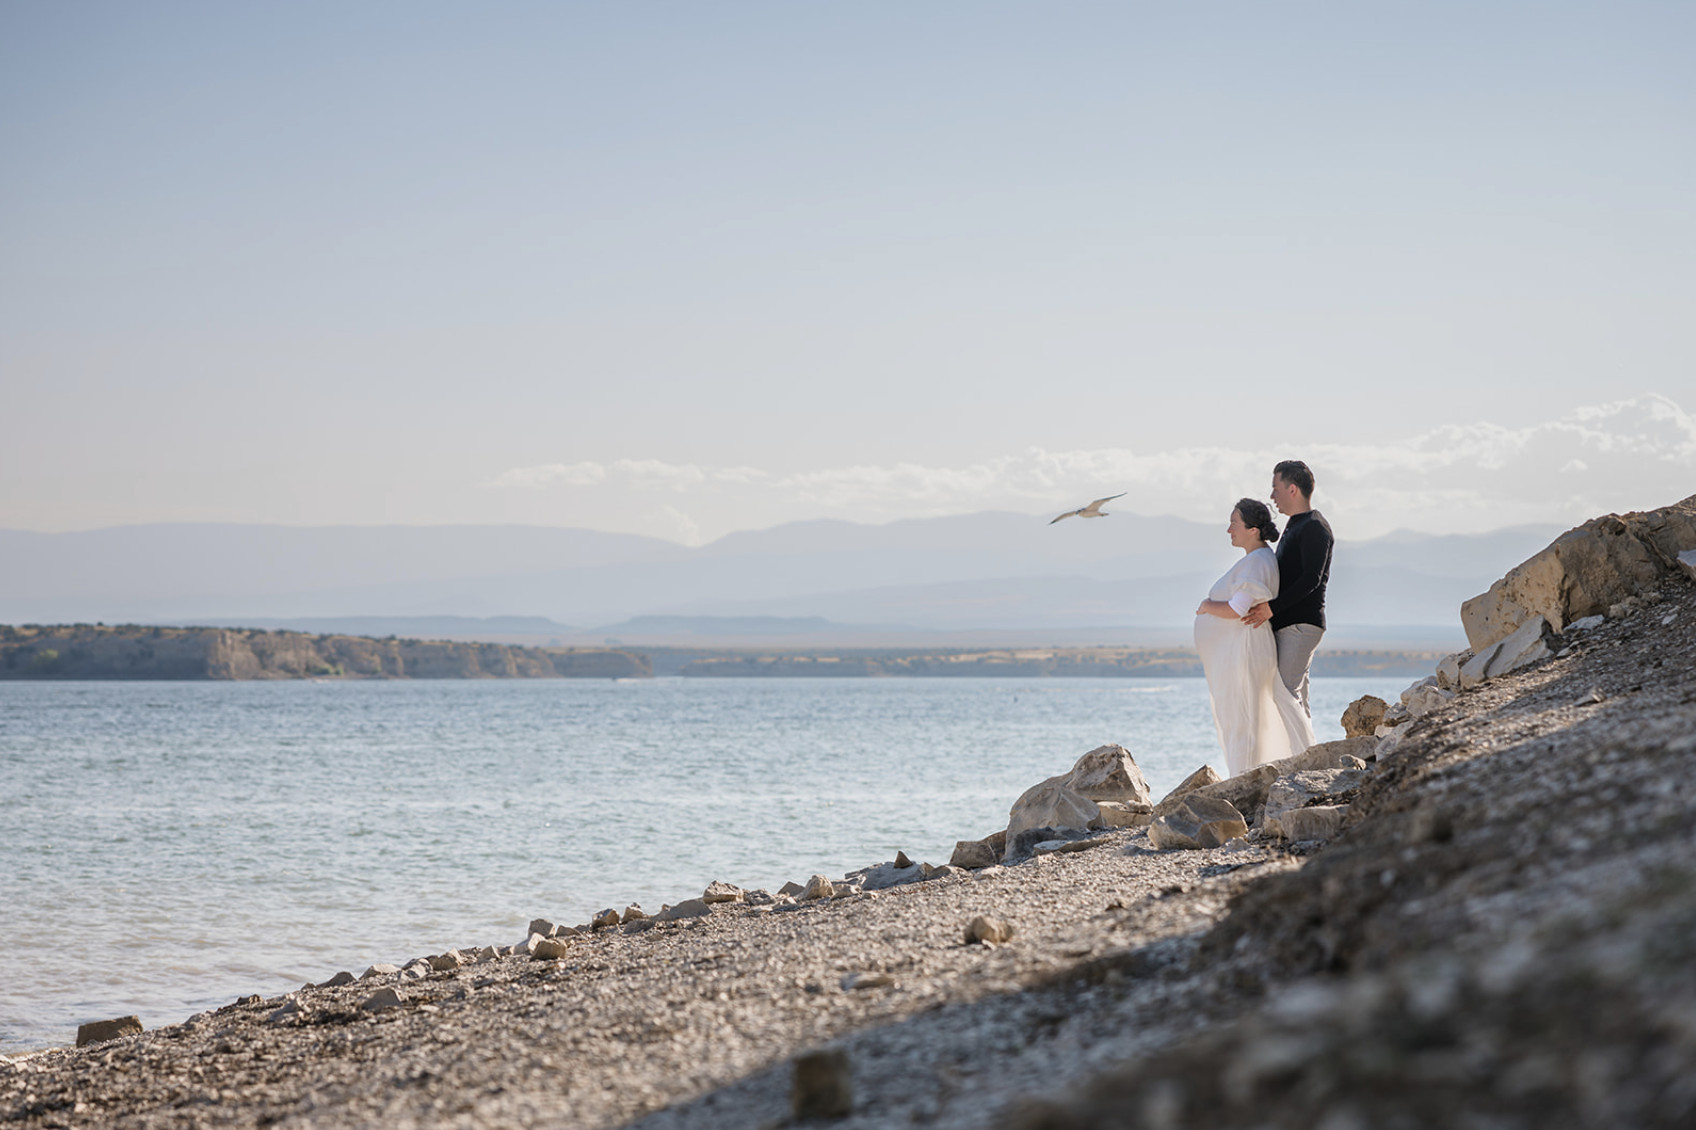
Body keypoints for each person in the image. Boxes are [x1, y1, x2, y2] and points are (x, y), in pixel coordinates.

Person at [1194, 499, 1317, 777]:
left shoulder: (1257, 562)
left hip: (1246, 652)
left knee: (1244, 718)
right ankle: (1256, 777)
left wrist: (1206, 606)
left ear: (1252, 529)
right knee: (1248, 717)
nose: (1229, 529)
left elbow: (1238, 609)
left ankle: (1245, 780)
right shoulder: (1257, 560)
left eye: (1234, 523)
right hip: (1244, 651)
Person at [1241, 460, 1333, 718]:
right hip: (1291, 624)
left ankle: (1296, 757)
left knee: (1285, 695)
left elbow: (1310, 579)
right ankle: (1305, 755)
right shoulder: (1296, 524)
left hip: (1300, 625)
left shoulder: (1314, 527)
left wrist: (1271, 608)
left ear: (1292, 489)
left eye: (1275, 488)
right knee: (1295, 697)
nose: (1272, 496)